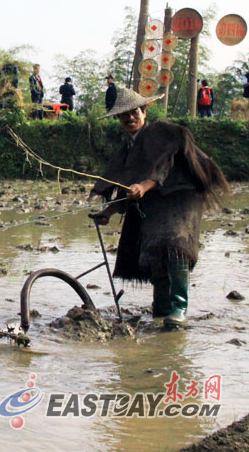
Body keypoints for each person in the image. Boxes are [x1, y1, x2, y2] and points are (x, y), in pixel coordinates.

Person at [89, 87, 229, 327]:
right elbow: (125, 182)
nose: (130, 118)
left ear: (144, 112)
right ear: (119, 119)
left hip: (180, 196)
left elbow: (163, 166)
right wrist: (108, 212)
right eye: (125, 116)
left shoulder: (160, 133)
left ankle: (179, 308)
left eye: (135, 113)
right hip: (155, 199)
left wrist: (143, 186)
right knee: (155, 252)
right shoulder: (127, 148)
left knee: (175, 247)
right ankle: (162, 308)